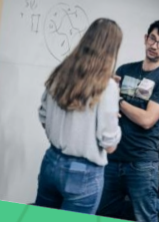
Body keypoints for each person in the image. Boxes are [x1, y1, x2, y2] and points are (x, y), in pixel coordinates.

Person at [96, 21, 159, 222]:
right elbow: (108, 109)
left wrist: (118, 100)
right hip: (113, 158)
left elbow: (147, 120)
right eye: (152, 39)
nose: (154, 46)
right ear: (146, 38)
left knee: (144, 217)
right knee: (104, 213)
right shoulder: (125, 70)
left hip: (142, 163)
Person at [35, 18, 123, 214]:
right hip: (84, 173)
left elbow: (43, 115)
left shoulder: (60, 73)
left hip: (51, 162)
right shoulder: (107, 87)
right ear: (111, 49)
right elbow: (110, 145)